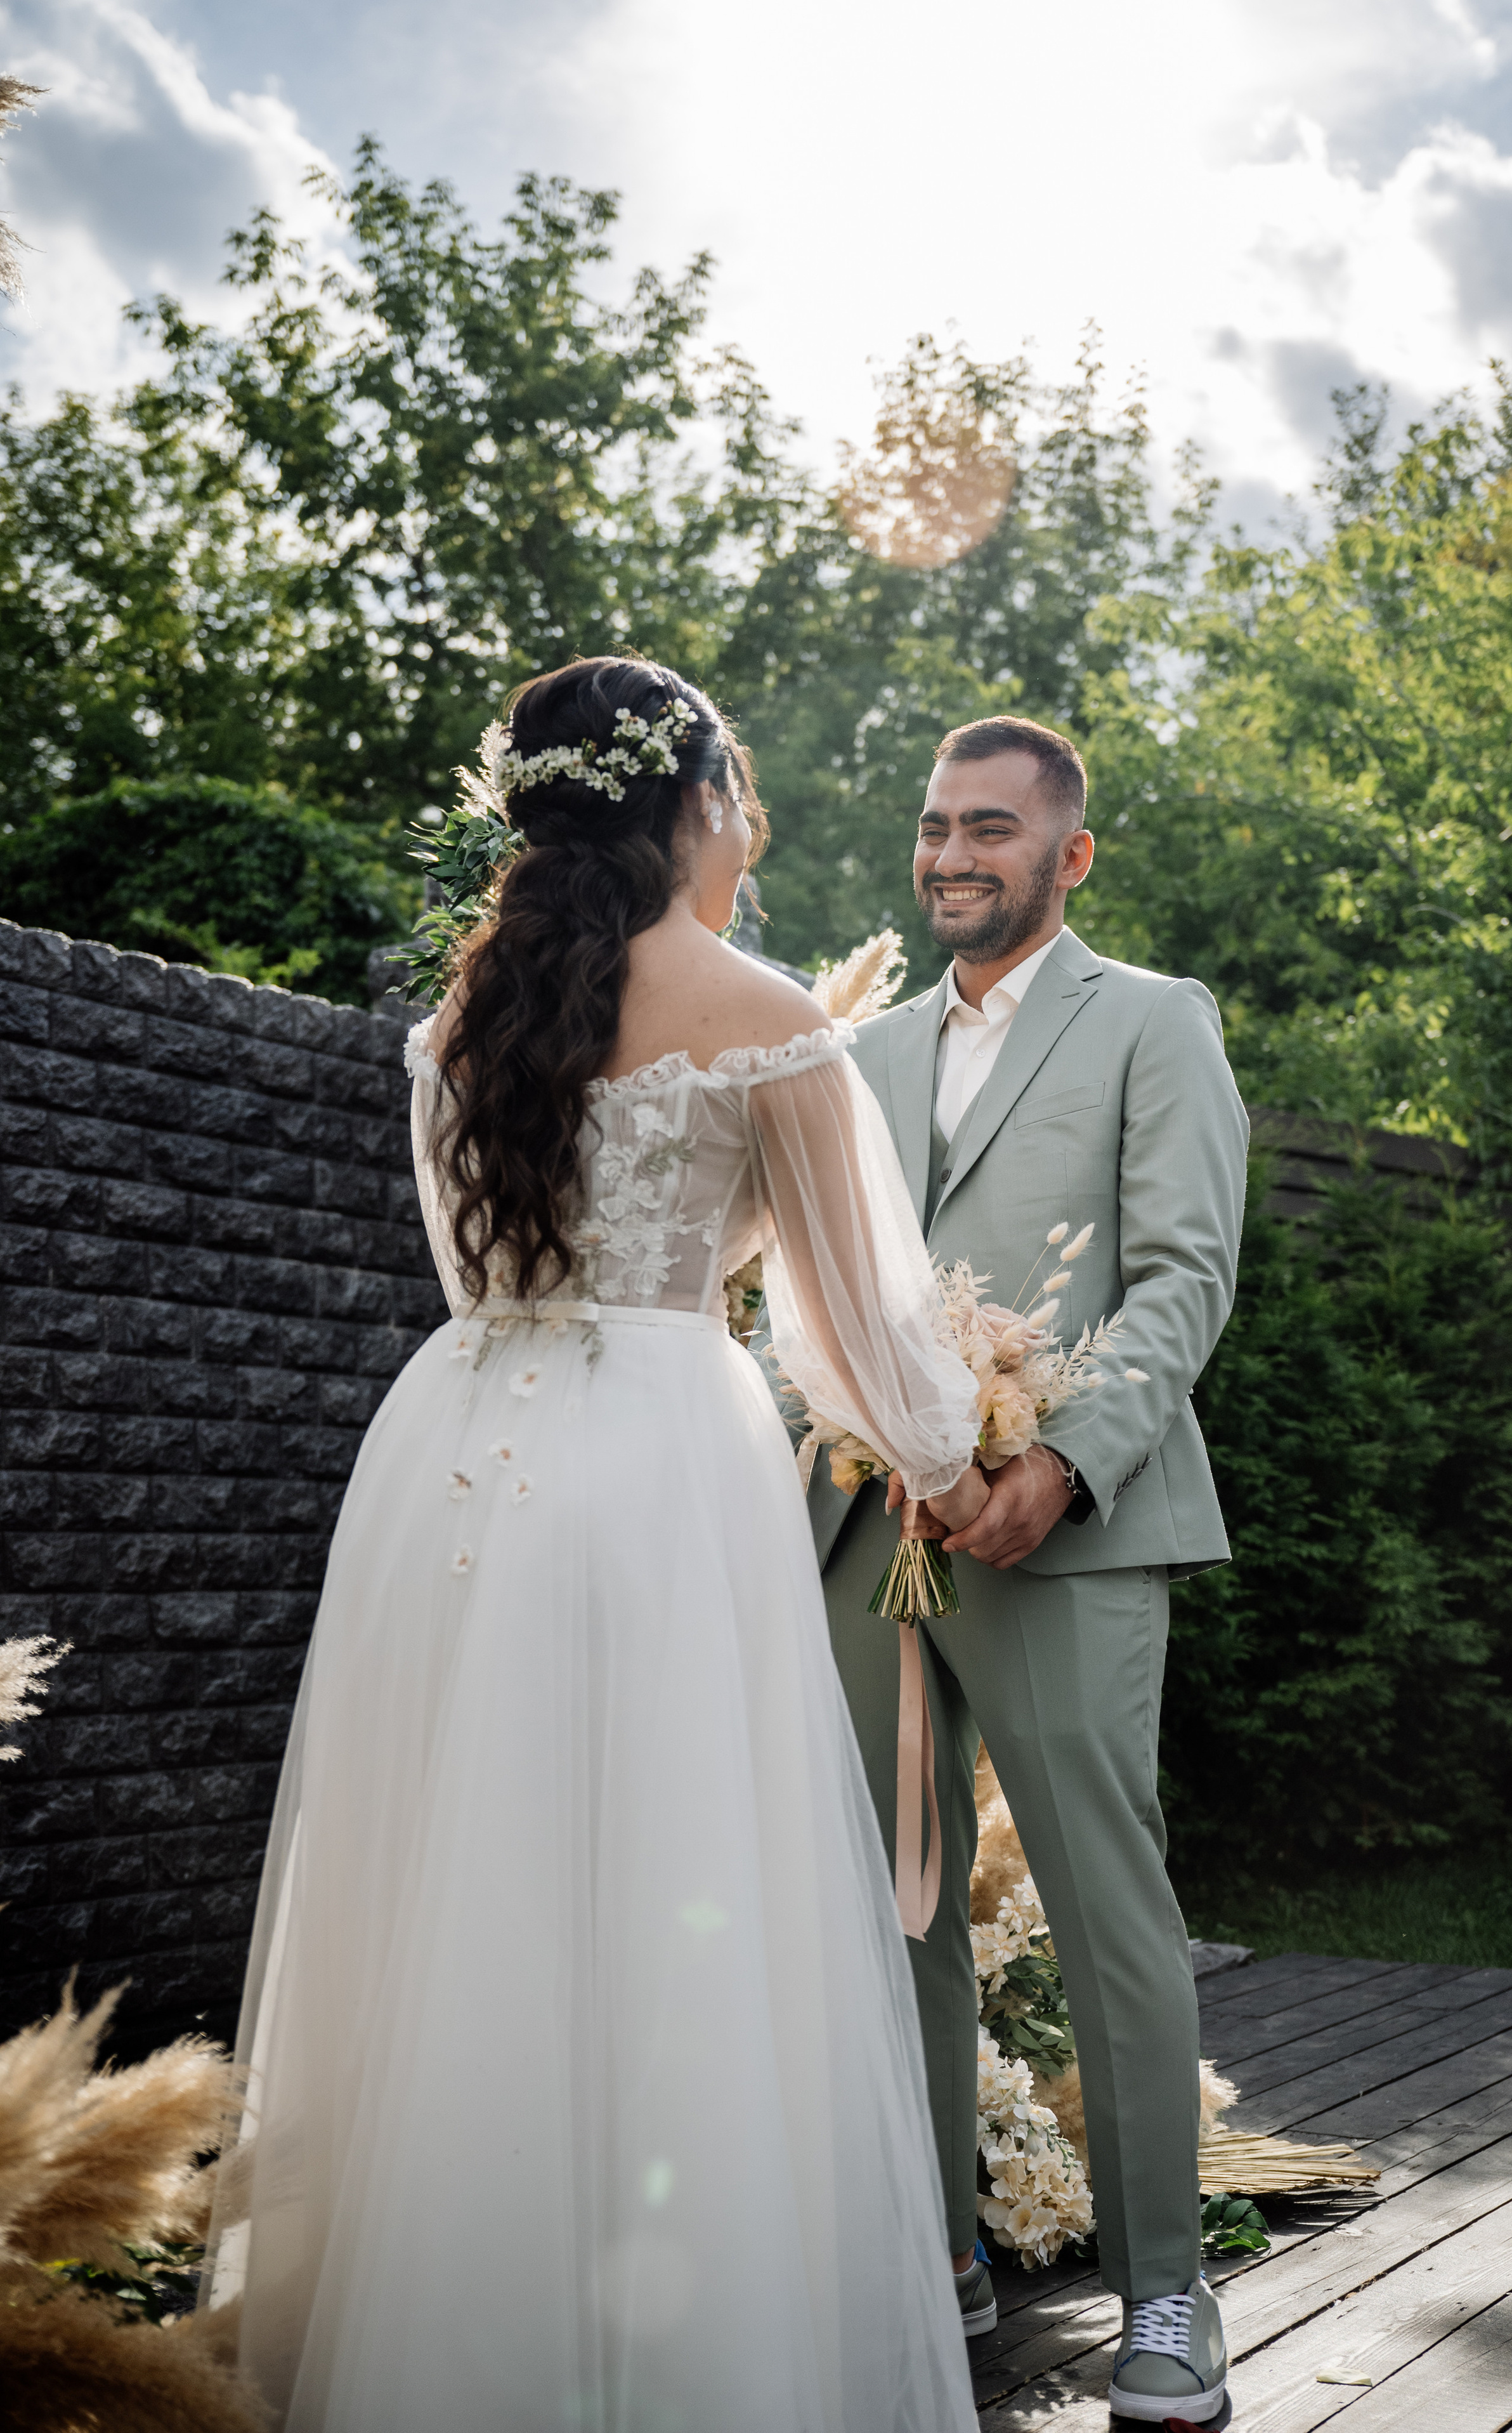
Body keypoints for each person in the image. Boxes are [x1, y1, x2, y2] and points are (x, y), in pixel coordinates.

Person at [202, 658, 987, 2432]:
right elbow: (861, 1339)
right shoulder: (766, 1012)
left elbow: (468, 1264)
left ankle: (448, 2338)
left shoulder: (454, 1025)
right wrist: (963, 1443)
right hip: (656, 1459)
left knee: (458, 1878)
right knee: (672, 1875)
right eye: (739, 790)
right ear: (692, 796)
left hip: (454, 1451)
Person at [797, 716, 1248, 2425]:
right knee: (895, 1904)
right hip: (869, 1529)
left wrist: (1057, 1461)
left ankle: (1165, 2291)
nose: (950, 855)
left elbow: (1186, 1274)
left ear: (1070, 853)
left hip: (1072, 1525)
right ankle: (943, 2253)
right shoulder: (853, 1050)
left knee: (1105, 1903)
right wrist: (865, 1431)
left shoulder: (1152, 1020)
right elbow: (824, 1283)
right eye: (933, 826)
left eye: (989, 826)